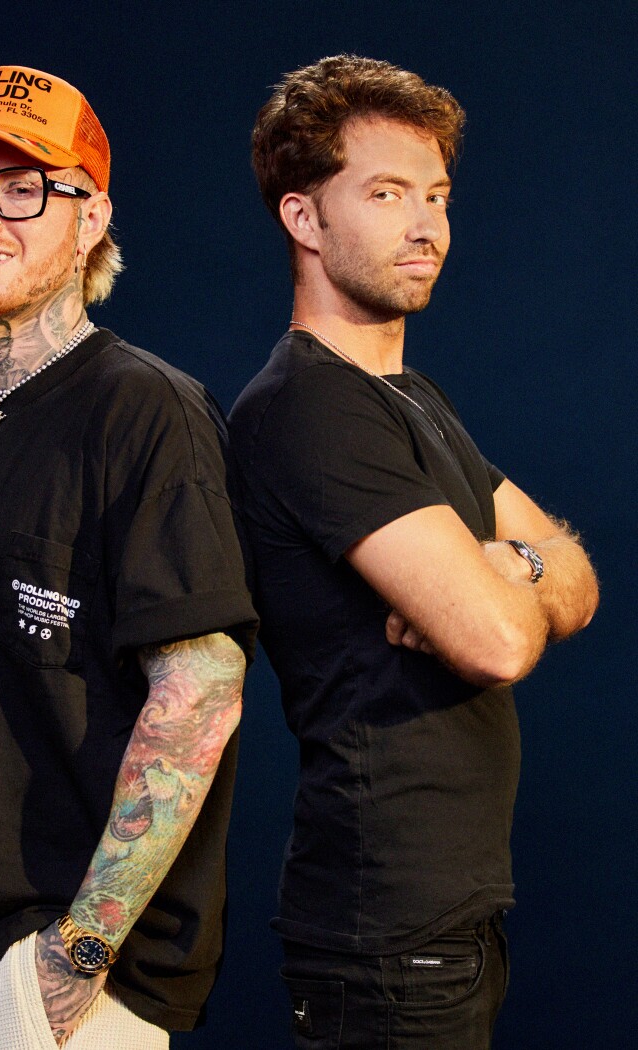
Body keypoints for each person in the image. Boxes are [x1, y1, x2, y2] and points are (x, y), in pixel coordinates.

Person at [0, 65, 257, 1050]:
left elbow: (201, 689)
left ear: (90, 218)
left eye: (25, 187)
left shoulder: (147, 412)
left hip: (51, 976)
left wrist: (78, 954)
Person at [229, 55, 599, 1049]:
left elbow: (578, 575)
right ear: (303, 219)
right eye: (387, 194)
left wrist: (509, 563)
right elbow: (498, 646)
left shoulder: (411, 400)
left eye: (436, 195)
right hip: (384, 939)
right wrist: (503, 579)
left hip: (447, 920)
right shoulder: (308, 407)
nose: (427, 226)